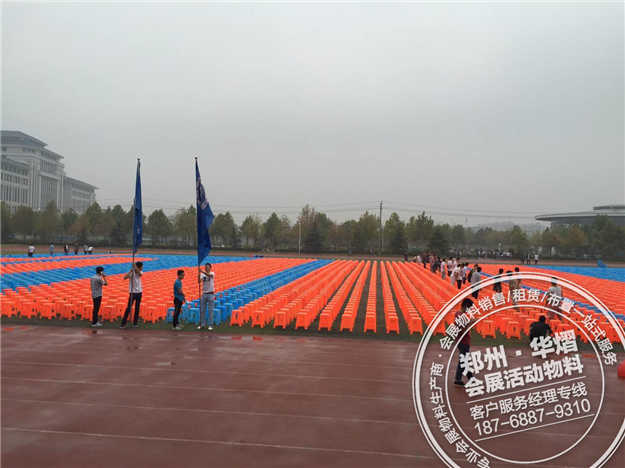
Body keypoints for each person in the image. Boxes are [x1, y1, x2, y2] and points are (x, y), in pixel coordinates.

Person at [454, 298, 475, 386]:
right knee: (464, 360)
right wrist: (470, 323)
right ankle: (458, 379)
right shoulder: (460, 315)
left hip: (463, 340)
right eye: (469, 308)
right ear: (466, 306)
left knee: (465, 360)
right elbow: (462, 330)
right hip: (463, 340)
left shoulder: (459, 314)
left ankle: (470, 377)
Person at [120, 262, 143, 328]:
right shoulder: (131, 273)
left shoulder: (141, 272)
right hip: (132, 293)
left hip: (139, 292)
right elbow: (125, 277)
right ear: (139, 267)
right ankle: (123, 323)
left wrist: (135, 267)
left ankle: (135, 323)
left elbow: (140, 274)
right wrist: (130, 271)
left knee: (137, 308)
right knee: (129, 308)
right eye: (141, 267)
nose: (142, 268)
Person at [198, 263, 215, 331]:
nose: (206, 268)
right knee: (202, 310)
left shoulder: (212, 273)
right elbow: (199, 281)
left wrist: (202, 272)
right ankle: (202, 324)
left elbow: (210, 276)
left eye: (207, 267)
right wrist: (199, 274)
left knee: (210, 310)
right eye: (205, 267)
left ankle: (210, 325)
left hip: (211, 293)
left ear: (210, 268)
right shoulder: (202, 274)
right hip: (204, 294)